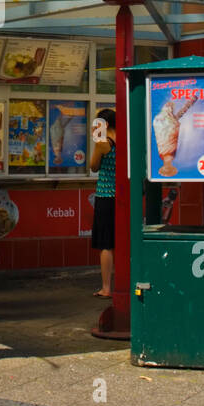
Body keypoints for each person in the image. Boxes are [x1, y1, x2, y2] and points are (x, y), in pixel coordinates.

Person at [90, 108, 117, 299]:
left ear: (103, 124)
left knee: (106, 244)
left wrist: (96, 141)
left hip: (105, 196)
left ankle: (106, 287)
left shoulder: (103, 143)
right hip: (122, 197)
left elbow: (93, 166)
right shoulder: (124, 140)